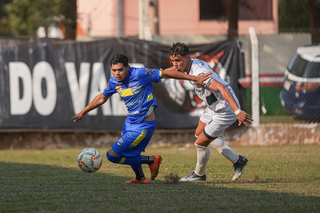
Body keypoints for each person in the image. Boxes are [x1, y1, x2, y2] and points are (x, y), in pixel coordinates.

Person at [71, 53, 212, 184]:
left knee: (112, 156)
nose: (117, 73)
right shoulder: (114, 81)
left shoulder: (140, 74)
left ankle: (151, 160)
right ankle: (140, 178)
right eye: (114, 70)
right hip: (129, 123)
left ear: (128, 67)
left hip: (143, 126)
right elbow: (102, 97)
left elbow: (167, 74)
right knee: (131, 152)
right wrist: (83, 112)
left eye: (120, 70)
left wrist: (195, 78)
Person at [168, 42, 253, 181]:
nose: (175, 64)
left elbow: (222, 88)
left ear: (187, 58)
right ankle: (237, 160)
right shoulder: (189, 64)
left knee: (200, 143)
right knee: (199, 134)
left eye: (178, 61)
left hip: (225, 108)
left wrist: (237, 111)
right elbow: (171, 71)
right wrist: (157, 73)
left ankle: (199, 174)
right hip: (213, 106)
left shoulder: (198, 72)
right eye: (173, 61)